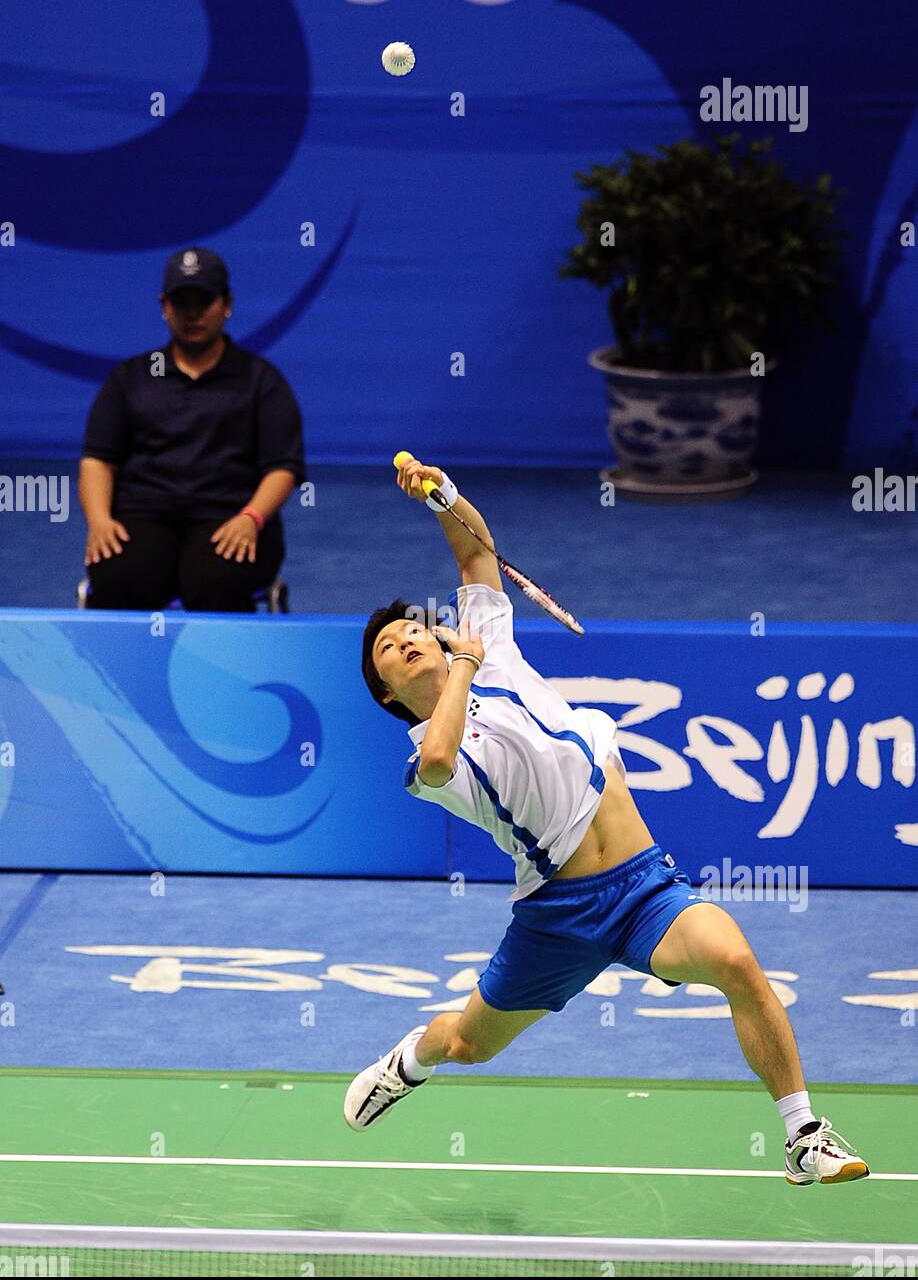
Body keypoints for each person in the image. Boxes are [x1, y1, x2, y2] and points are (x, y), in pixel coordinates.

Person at [348, 456, 870, 1189]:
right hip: (557, 916)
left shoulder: (488, 646)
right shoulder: (425, 750)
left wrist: (443, 494)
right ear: (388, 693)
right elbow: (440, 759)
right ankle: (409, 1063)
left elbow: (472, 550)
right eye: (388, 650)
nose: (406, 640)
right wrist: (462, 664)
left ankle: (802, 1134)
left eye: (412, 630)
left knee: (739, 963)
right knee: (468, 1043)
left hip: (644, 889)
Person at [78, 247, 305, 612]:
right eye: (181, 301)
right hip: (143, 514)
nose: (192, 312)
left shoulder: (261, 380)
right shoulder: (130, 377)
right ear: (164, 305)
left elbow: (283, 466)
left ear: (227, 303)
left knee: (217, 581)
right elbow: (97, 460)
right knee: (121, 575)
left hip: (231, 515)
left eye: (204, 300)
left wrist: (252, 518)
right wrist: (100, 521)